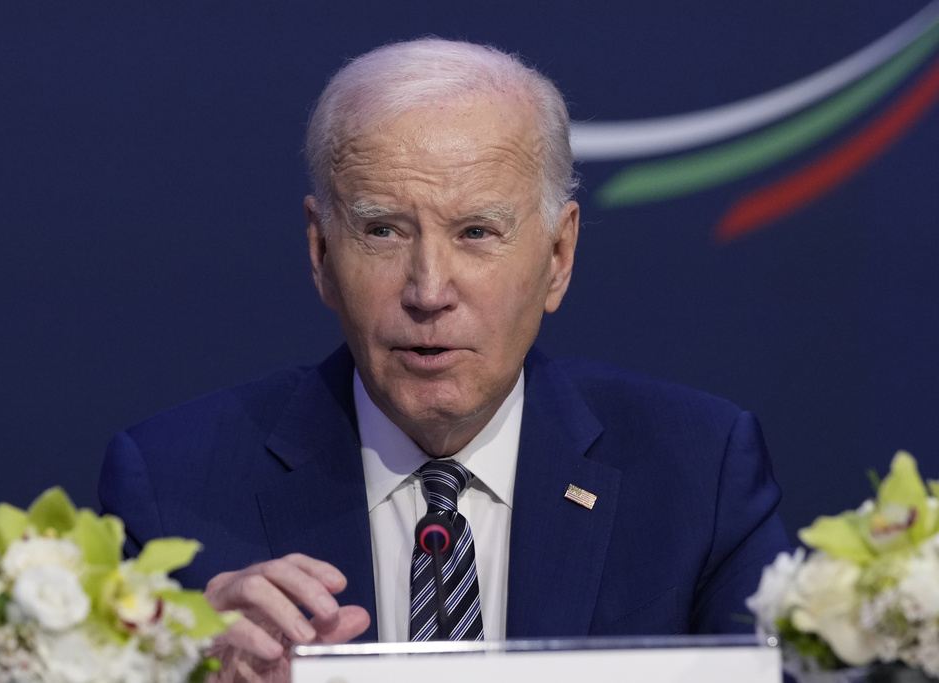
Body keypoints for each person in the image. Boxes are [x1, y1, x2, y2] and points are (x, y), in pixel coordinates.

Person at [99, 38, 790, 681]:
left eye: (477, 232)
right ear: (321, 253)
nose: (429, 290)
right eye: (382, 230)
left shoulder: (700, 471)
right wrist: (179, 664)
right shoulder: (169, 489)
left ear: (558, 256)